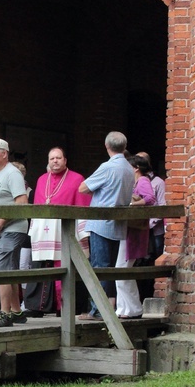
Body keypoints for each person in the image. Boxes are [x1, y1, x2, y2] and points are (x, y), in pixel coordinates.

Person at [26, 147, 91, 316]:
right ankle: (39, 306)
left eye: (58, 158)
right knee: (42, 266)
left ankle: (66, 306)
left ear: (65, 160)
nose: (55, 161)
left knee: (66, 266)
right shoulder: (41, 179)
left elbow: (82, 207)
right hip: (44, 231)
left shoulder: (77, 179)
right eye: (52, 158)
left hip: (66, 230)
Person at [78, 131, 135, 320]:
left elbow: (83, 187)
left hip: (101, 222)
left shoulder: (107, 167)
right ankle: (108, 307)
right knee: (110, 268)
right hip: (118, 224)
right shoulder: (128, 168)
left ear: (106, 146)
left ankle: (97, 310)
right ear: (124, 147)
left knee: (99, 267)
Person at [0, 138, 29, 328]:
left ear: (4, 153)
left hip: (14, 227)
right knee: (10, 268)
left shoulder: (13, 174)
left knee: (1, 268)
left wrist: (1, 220)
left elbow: (22, 202)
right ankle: (17, 312)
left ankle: (4, 313)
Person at [114, 155, 156, 319]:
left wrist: (131, 205)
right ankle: (127, 308)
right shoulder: (137, 182)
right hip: (131, 230)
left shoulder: (143, 181)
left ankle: (130, 308)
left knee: (122, 269)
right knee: (123, 270)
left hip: (134, 231)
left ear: (136, 167)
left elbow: (150, 199)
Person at [136, 151, 166, 299]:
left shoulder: (158, 183)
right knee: (139, 261)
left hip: (154, 231)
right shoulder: (135, 181)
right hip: (138, 229)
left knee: (154, 260)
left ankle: (154, 293)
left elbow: (161, 206)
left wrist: (149, 223)